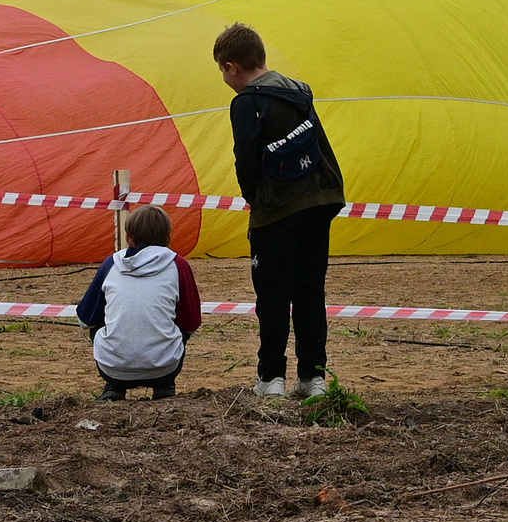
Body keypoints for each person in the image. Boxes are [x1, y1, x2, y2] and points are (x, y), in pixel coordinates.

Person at [215, 21, 346, 400]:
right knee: (309, 290)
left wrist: (252, 197)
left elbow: (246, 160)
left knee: (272, 294)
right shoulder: (298, 92)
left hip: (277, 209)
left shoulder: (246, 102)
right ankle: (313, 378)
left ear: (230, 67)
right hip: (320, 199)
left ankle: (271, 378)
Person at [75, 204, 203, 399]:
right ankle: (165, 386)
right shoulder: (179, 265)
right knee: (177, 323)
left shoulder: (111, 264)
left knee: (99, 322)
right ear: (168, 237)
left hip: (112, 369)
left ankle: (114, 387)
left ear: (129, 237)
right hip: (165, 368)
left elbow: (85, 320)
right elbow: (192, 322)